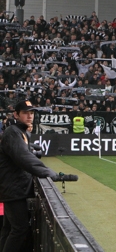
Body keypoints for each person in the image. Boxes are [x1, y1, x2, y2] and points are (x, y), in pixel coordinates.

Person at [0, 101, 62, 251]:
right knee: (20, 230)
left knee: (9, 229)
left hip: (14, 188)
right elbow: (23, 157)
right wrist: (48, 172)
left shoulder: (19, 132)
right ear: (16, 114)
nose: (29, 116)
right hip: (14, 190)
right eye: (25, 113)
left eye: (32, 113)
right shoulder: (13, 132)